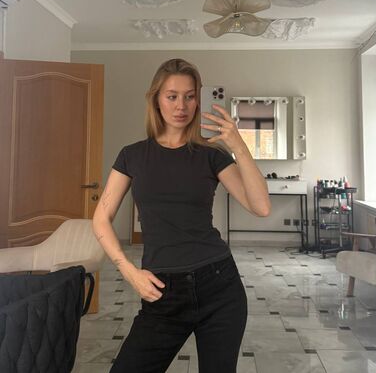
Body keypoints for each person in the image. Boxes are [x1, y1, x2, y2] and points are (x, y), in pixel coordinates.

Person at [92, 58, 271, 373]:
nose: (181, 106)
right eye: (172, 96)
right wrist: (129, 271)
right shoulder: (132, 155)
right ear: (156, 100)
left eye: (190, 96)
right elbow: (100, 218)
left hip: (219, 286)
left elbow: (261, 207)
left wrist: (238, 146)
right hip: (162, 292)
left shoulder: (211, 155)